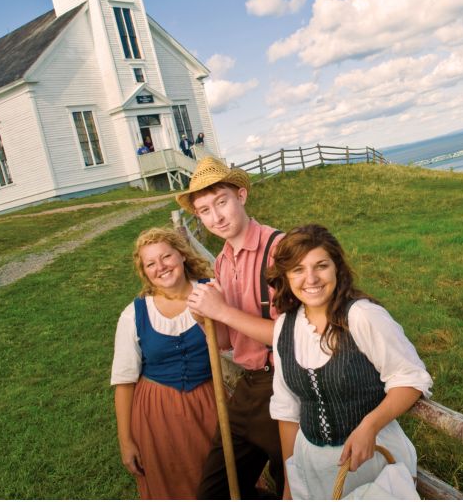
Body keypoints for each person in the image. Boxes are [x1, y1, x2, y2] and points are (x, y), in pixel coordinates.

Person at [268, 224, 432, 499]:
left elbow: (411, 378)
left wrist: (369, 425)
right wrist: (289, 481)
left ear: (336, 268)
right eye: (298, 269)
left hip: (371, 459)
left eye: (321, 266)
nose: (311, 278)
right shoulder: (284, 326)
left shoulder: (362, 316)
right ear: (286, 276)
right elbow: (287, 409)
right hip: (312, 465)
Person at [179, 156, 286, 499]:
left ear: (241, 196)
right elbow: (226, 342)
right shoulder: (223, 260)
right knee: (215, 491)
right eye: (205, 211)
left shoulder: (279, 251)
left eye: (221, 202)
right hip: (250, 384)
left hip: (287, 385)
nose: (216, 217)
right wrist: (204, 317)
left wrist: (222, 310)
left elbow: (292, 340)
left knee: (295, 488)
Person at [111, 227, 219, 499]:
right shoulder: (133, 315)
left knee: (216, 477)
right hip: (156, 412)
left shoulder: (211, 292)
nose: (160, 267)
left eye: (166, 256)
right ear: (144, 271)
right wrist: (126, 442)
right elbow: (124, 382)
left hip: (209, 402)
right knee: (169, 482)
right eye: (151, 263)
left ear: (182, 255)